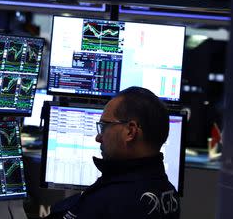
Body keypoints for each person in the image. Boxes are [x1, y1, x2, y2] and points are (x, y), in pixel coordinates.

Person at [47, 87, 180, 219]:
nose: (98, 137)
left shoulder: (108, 202)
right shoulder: (169, 193)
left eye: (104, 126)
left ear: (130, 131)